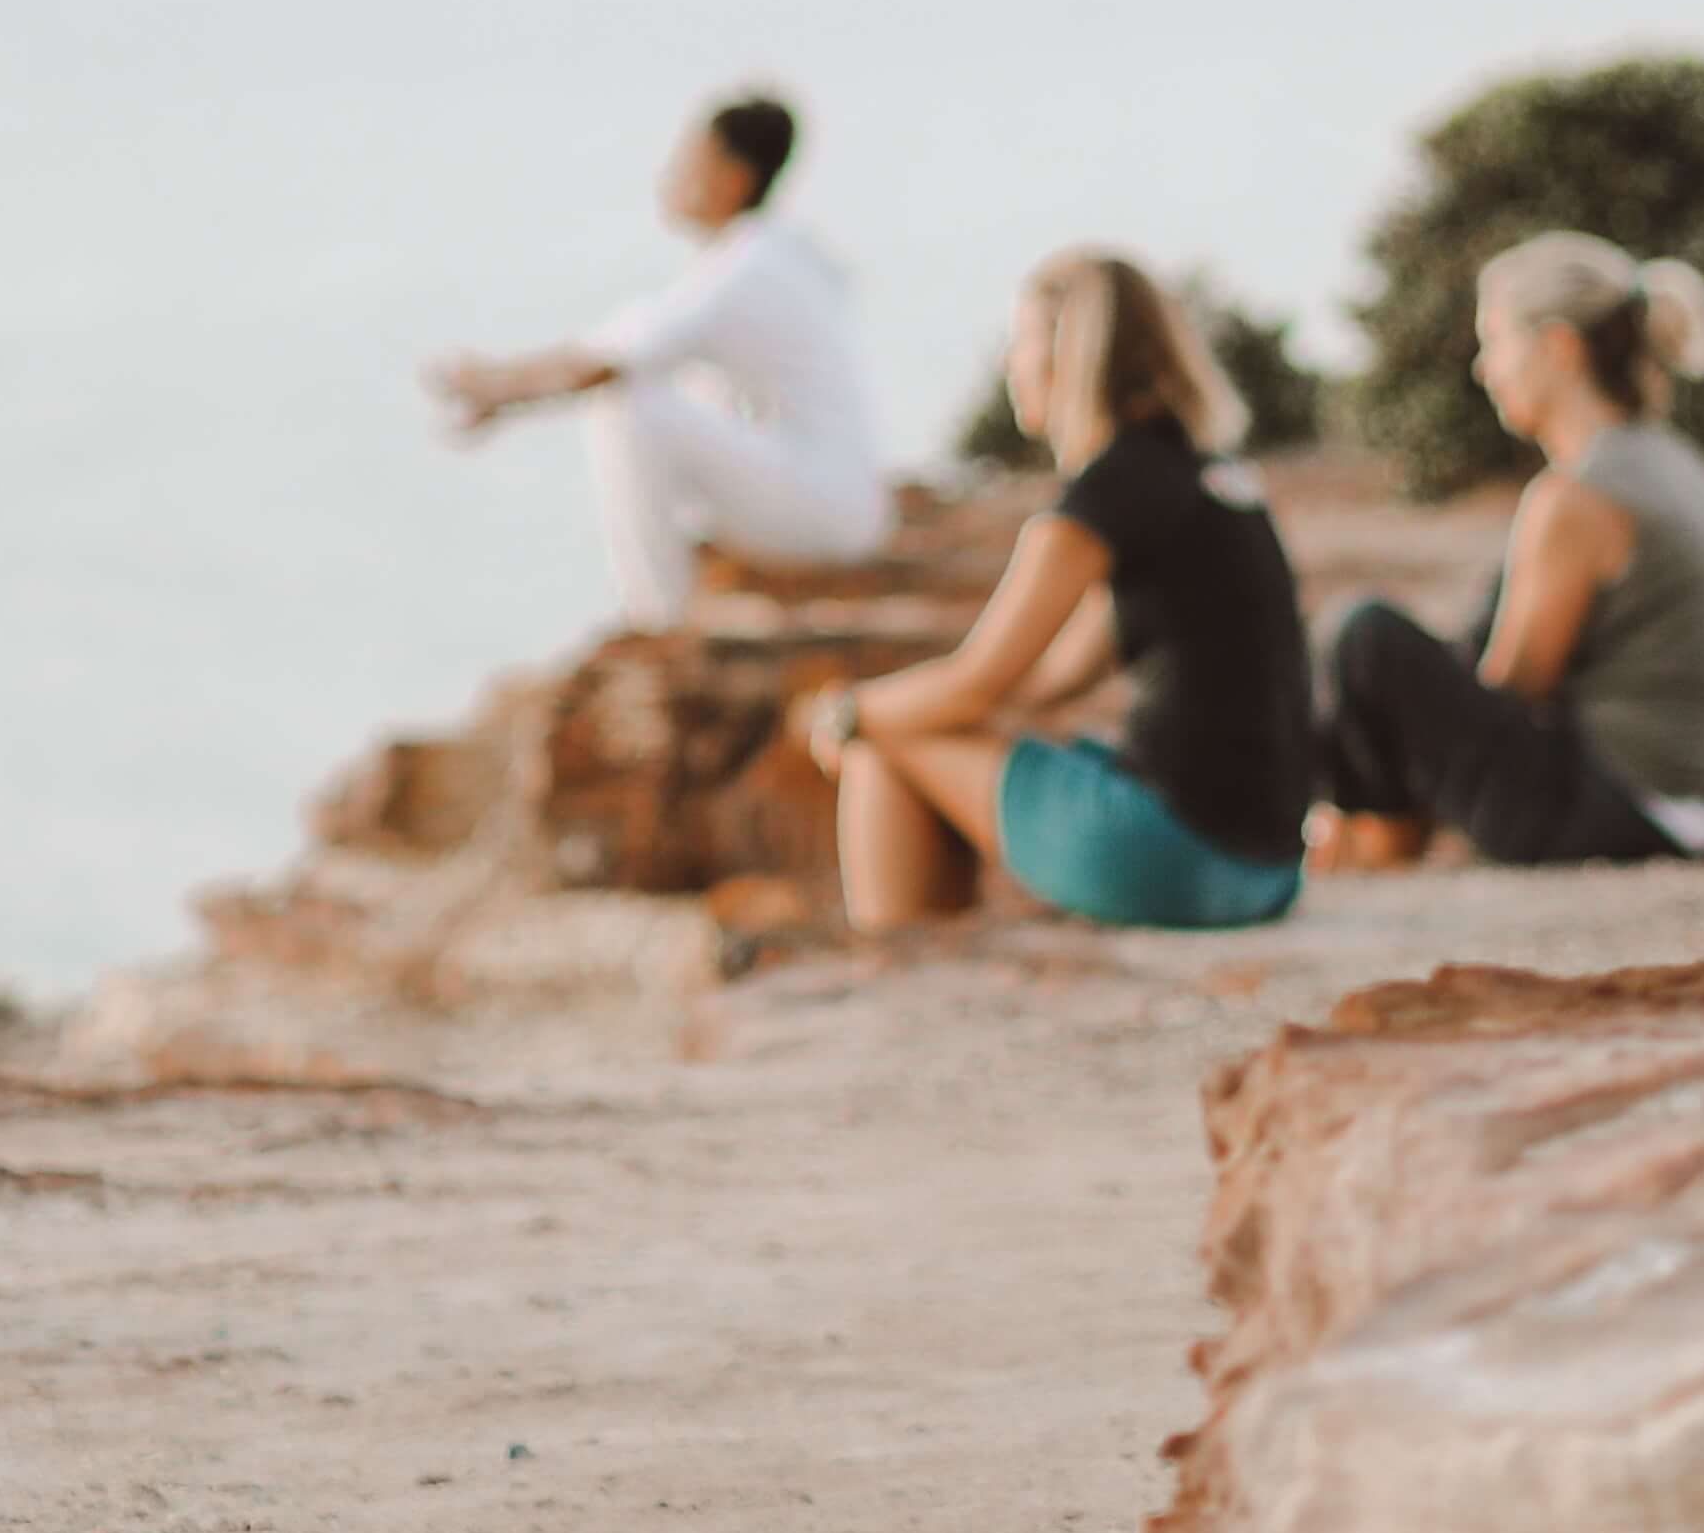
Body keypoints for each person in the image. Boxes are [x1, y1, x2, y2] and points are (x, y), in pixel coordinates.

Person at [802, 250, 1310, 932]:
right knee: (926, 726)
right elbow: (1052, 681)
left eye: (1022, 340)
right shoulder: (1199, 479)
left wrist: (848, 714)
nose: (1012, 363)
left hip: (1186, 864)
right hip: (1268, 871)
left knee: (879, 744)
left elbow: (976, 682)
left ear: (1070, 354)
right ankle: (932, 958)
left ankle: (903, 978)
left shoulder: (1106, 496)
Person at [1310, 233, 1704, 872]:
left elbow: (1516, 687)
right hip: (1694, 811)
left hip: (1617, 812)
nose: (1484, 369)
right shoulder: (1666, 459)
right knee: (1446, 639)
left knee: (1363, 637)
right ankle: (1362, 832)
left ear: (1558, 349)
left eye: (1495, 342)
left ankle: (1371, 842)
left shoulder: (1576, 496)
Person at [428, 92, 895, 626]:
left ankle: (658, 619)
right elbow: (620, 346)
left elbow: (604, 364)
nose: (669, 177)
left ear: (732, 178)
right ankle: (688, 596)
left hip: (823, 513)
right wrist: (501, 391)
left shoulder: (744, 268)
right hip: (843, 501)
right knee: (679, 383)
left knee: (627, 408)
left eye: (689, 161)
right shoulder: (778, 251)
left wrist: (494, 388)